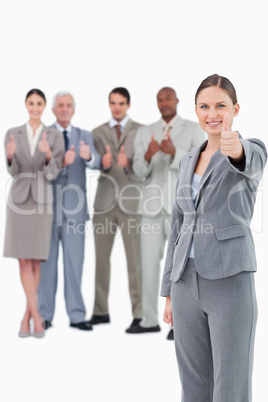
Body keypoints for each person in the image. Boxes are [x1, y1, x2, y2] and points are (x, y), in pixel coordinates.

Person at [161, 74, 267, 401]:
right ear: (195, 110)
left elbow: (251, 160)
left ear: (235, 108)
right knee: (193, 385)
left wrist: (236, 149)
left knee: (230, 385)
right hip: (184, 283)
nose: (213, 113)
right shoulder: (188, 160)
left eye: (221, 105)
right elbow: (177, 227)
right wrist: (168, 290)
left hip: (229, 279)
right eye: (205, 106)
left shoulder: (249, 150)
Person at [128, 87, 205, 338]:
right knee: (148, 266)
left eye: (168, 98)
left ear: (177, 101)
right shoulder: (144, 131)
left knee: (180, 266)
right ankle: (149, 319)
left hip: (181, 207)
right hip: (150, 207)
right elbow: (137, 172)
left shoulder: (193, 129)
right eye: (160, 99)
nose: (164, 103)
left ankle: (179, 322)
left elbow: (201, 164)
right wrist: (148, 156)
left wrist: (174, 152)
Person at [38, 91, 101, 331]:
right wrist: (58, 161)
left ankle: (76, 315)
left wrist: (89, 157)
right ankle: (45, 314)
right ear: (53, 110)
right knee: (47, 266)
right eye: (60, 106)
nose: (64, 109)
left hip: (75, 213)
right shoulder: (44, 135)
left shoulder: (84, 135)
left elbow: (97, 162)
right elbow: (38, 169)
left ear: (73, 110)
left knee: (75, 264)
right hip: (48, 212)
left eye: (68, 106)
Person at [4, 89, 64, 338]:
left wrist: (48, 154)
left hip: (41, 200)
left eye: (39, 103)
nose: (35, 107)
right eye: (32, 103)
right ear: (26, 105)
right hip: (18, 201)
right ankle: (35, 315)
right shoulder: (12, 133)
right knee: (22, 258)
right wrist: (9, 157)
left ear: (44, 106)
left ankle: (28, 316)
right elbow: (14, 171)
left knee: (37, 258)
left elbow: (54, 172)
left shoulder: (54, 135)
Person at [89, 87, 143, 331]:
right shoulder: (97, 132)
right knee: (101, 259)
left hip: (131, 202)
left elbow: (145, 166)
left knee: (135, 261)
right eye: (113, 103)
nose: (117, 107)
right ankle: (100, 311)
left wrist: (128, 165)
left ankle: (139, 313)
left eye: (121, 103)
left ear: (128, 104)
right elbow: (91, 160)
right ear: (109, 104)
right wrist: (102, 162)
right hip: (104, 202)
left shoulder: (141, 131)